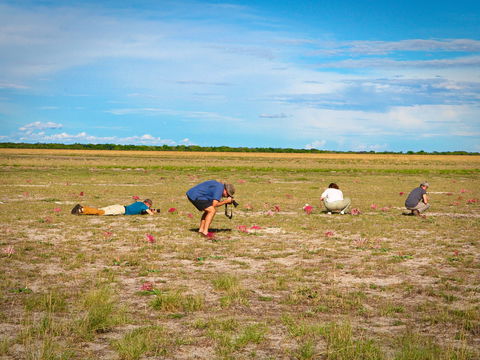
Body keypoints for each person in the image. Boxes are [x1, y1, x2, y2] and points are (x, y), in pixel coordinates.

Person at [71, 199, 157, 216]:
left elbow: (141, 211)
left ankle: (82, 209)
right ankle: (81, 209)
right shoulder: (144, 205)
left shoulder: (139, 203)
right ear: (147, 204)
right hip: (121, 210)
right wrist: (153, 212)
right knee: (101, 212)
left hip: (120, 206)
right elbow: (150, 213)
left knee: (100, 210)